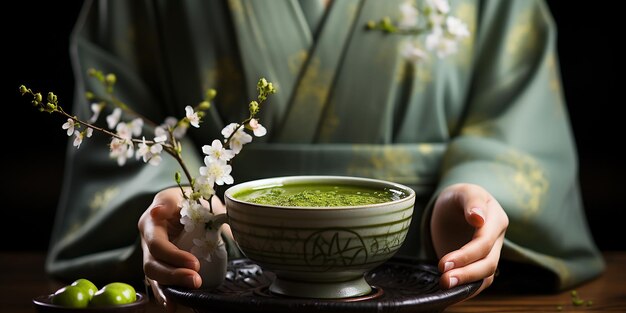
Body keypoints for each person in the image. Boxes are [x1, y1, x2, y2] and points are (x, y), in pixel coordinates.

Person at [45, 0, 605, 312]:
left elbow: (514, 113)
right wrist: (183, 208)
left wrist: (473, 195)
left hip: (428, 261)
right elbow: (123, 108)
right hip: (224, 266)